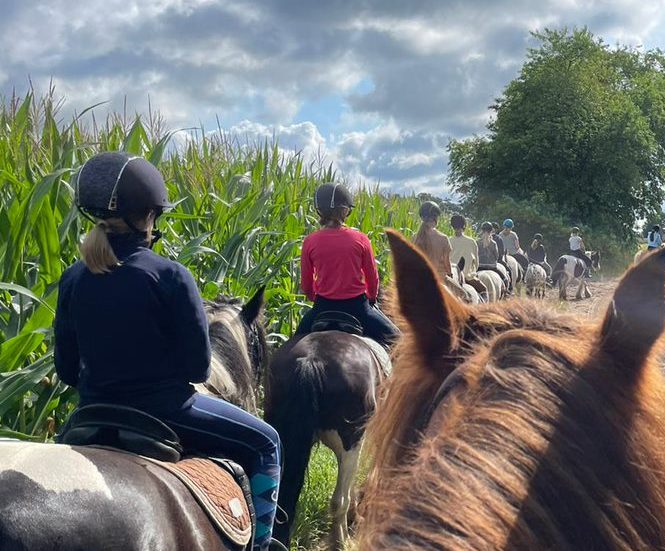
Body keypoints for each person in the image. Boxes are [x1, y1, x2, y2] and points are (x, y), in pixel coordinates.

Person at [54, 152, 281, 551]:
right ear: (148, 216)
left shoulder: (73, 278)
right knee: (266, 443)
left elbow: (67, 370)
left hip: (91, 411)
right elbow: (197, 367)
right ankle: (261, 546)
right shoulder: (171, 276)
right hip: (166, 409)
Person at [296, 183, 399, 348]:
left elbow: (306, 285)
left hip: (322, 306)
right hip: (357, 307)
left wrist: (316, 298)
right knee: (399, 341)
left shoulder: (310, 241)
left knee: (292, 344)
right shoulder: (361, 239)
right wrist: (371, 298)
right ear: (345, 210)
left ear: (319, 210)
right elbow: (373, 280)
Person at [413, 201, 452, 278]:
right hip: (439, 277)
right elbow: (446, 262)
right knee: (460, 290)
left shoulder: (414, 237)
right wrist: (450, 274)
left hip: (418, 278)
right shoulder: (443, 238)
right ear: (436, 218)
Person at [449, 214, 486, 296]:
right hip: (467, 277)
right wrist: (473, 272)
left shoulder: (449, 241)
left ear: (452, 226)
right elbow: (476, 263)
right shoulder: (471, 242)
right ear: (464, 226)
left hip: (452, 277)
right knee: (484, 290)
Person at [477, 222, 510, 290]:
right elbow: (496, 256)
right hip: (492, 267)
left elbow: (475, 255)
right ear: (491, 231)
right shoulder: (493, 243)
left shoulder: (477, 242)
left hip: (479, 267)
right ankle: (507, 291)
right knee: (505, 279)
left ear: (482, 230)